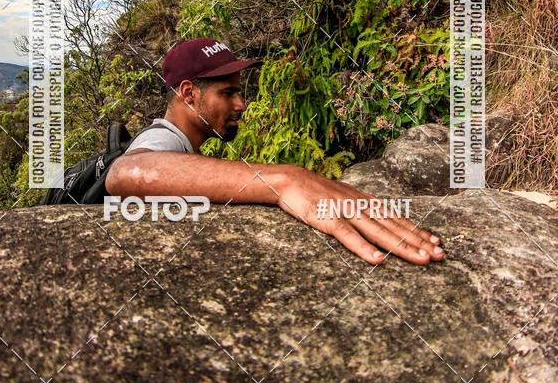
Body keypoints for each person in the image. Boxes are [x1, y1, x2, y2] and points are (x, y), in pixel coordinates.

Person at [106, 38, 445, 265]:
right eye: (228, 93)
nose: (242, 104)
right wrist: (285, 180)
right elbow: (125, 172)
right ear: (189, 93)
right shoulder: (162, 140)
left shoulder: (184, 144)